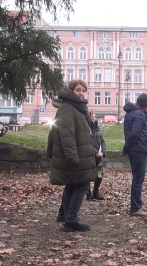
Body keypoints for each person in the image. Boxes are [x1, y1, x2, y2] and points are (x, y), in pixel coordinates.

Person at [50, 79, 98, 232]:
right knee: (82, 185)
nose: (81, 93)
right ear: (71, 91)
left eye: (84, 91)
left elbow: (84, 133)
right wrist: (72, 156)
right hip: (74, 156)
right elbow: (67, 135)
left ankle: (66, 217)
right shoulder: (67, 108)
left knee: (72, 184)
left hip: (81, 154)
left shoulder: (78, 108)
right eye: (78, 90)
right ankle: (71, 220)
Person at [123, 93, 147, 216]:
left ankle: (137, 204)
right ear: (145, 105)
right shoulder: (139, 115)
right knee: (138, 179)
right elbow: (135, 133)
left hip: (134, 150)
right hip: (139, 150)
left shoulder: (130, 113)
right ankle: (135, 208)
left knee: (137, 178)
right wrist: (127, 147)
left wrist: (127, 148)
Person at [86, 111, 107, 201]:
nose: (94, 118)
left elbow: (102, 140)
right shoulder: (87, 129)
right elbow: (87, 143)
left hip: (99, 156)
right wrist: (94, 152)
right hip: (90, 156)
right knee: (88, 176)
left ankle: (95, 192)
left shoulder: (97, 128)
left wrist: (103, 151)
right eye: (92, 116)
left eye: (95, 116)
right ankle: (88, 194)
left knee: (99, 175)